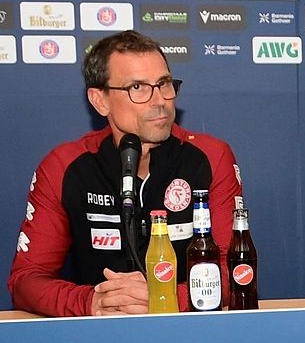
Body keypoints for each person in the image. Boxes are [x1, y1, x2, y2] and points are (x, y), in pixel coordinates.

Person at [8, 30, 243, 316]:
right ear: (99, 100)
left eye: (164, 84)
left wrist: (165, 297)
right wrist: (91, 301)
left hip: (192, 336)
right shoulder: (64, 166)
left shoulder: (210, 157)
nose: (160, 101)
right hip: (99, 339)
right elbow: (26, 280)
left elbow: (235, 271)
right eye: (138, 88)